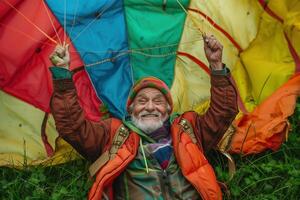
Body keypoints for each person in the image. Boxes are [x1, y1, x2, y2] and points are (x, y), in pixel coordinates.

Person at [49, 35, 238, 200]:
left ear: (168, 109)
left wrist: (216, 64)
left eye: (158, 101)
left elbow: (224, 112)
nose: (149, 106)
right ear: (131, 109)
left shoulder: (189, 129)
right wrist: (63, 77)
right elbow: (73, 127)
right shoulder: (114, 134)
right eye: (142, 100)